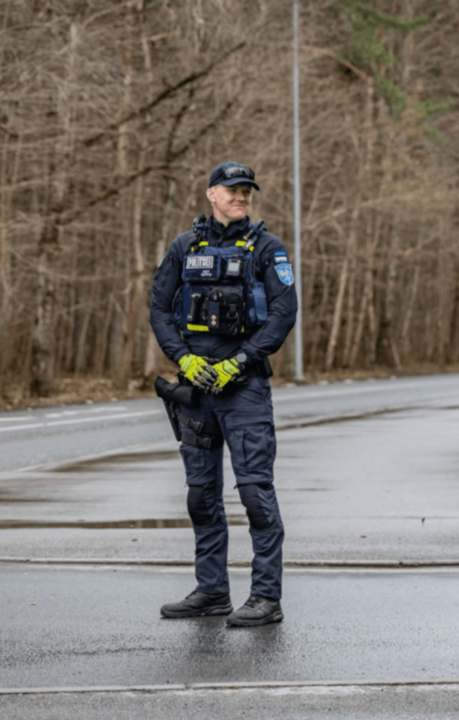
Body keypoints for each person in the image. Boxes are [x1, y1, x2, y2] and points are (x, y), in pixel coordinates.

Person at [150, 161, 298, 627]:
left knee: (255, 493)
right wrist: (182, 358)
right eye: (232, 189)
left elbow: (284, 312)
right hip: (196, 389)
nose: (241, 196)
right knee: (200, 496)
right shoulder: (184, 246)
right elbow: (159, 307)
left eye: (246, 190)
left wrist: (242, 359)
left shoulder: (267, 249)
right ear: (211, 193)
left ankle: (266, 597)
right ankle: (211, 591)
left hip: (244, 388)